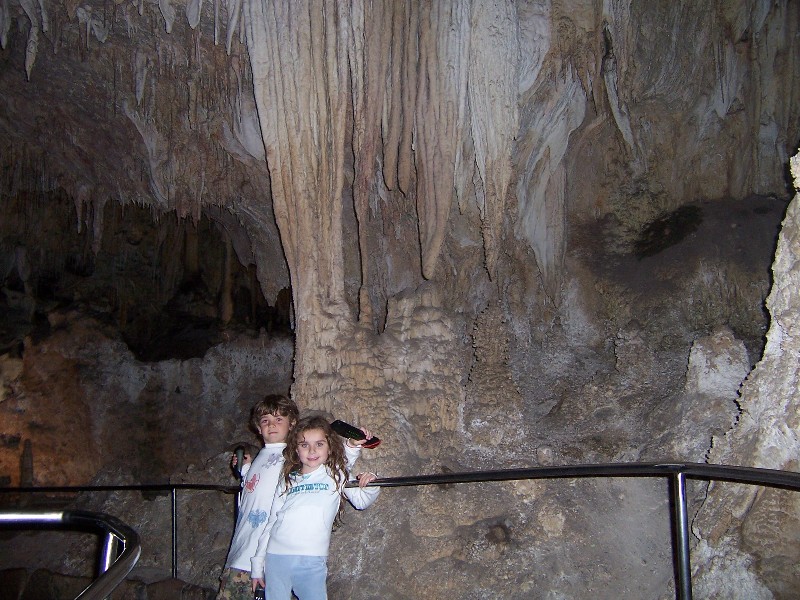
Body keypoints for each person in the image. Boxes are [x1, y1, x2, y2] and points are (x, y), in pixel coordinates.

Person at [250, 415, 380, 600]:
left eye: (319, 444)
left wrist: (370, 483)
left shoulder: (334, 474)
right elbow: (271, 522)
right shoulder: (288, 480)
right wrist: (257, 566)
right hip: (276, 556)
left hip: (311, 559)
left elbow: (361, 500)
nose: (311, 450)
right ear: (296, 448)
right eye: (304, 445)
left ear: (329, 447)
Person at [216, 394, 300, 600]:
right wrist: (245, 471)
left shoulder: (292, 458)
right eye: (265, 421)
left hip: (263, 561)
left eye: (279, 419)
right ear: (258, 427)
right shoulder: (261, 457)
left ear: (292, 424)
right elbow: (257, 491)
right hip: (240, 553)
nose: (272, 425)